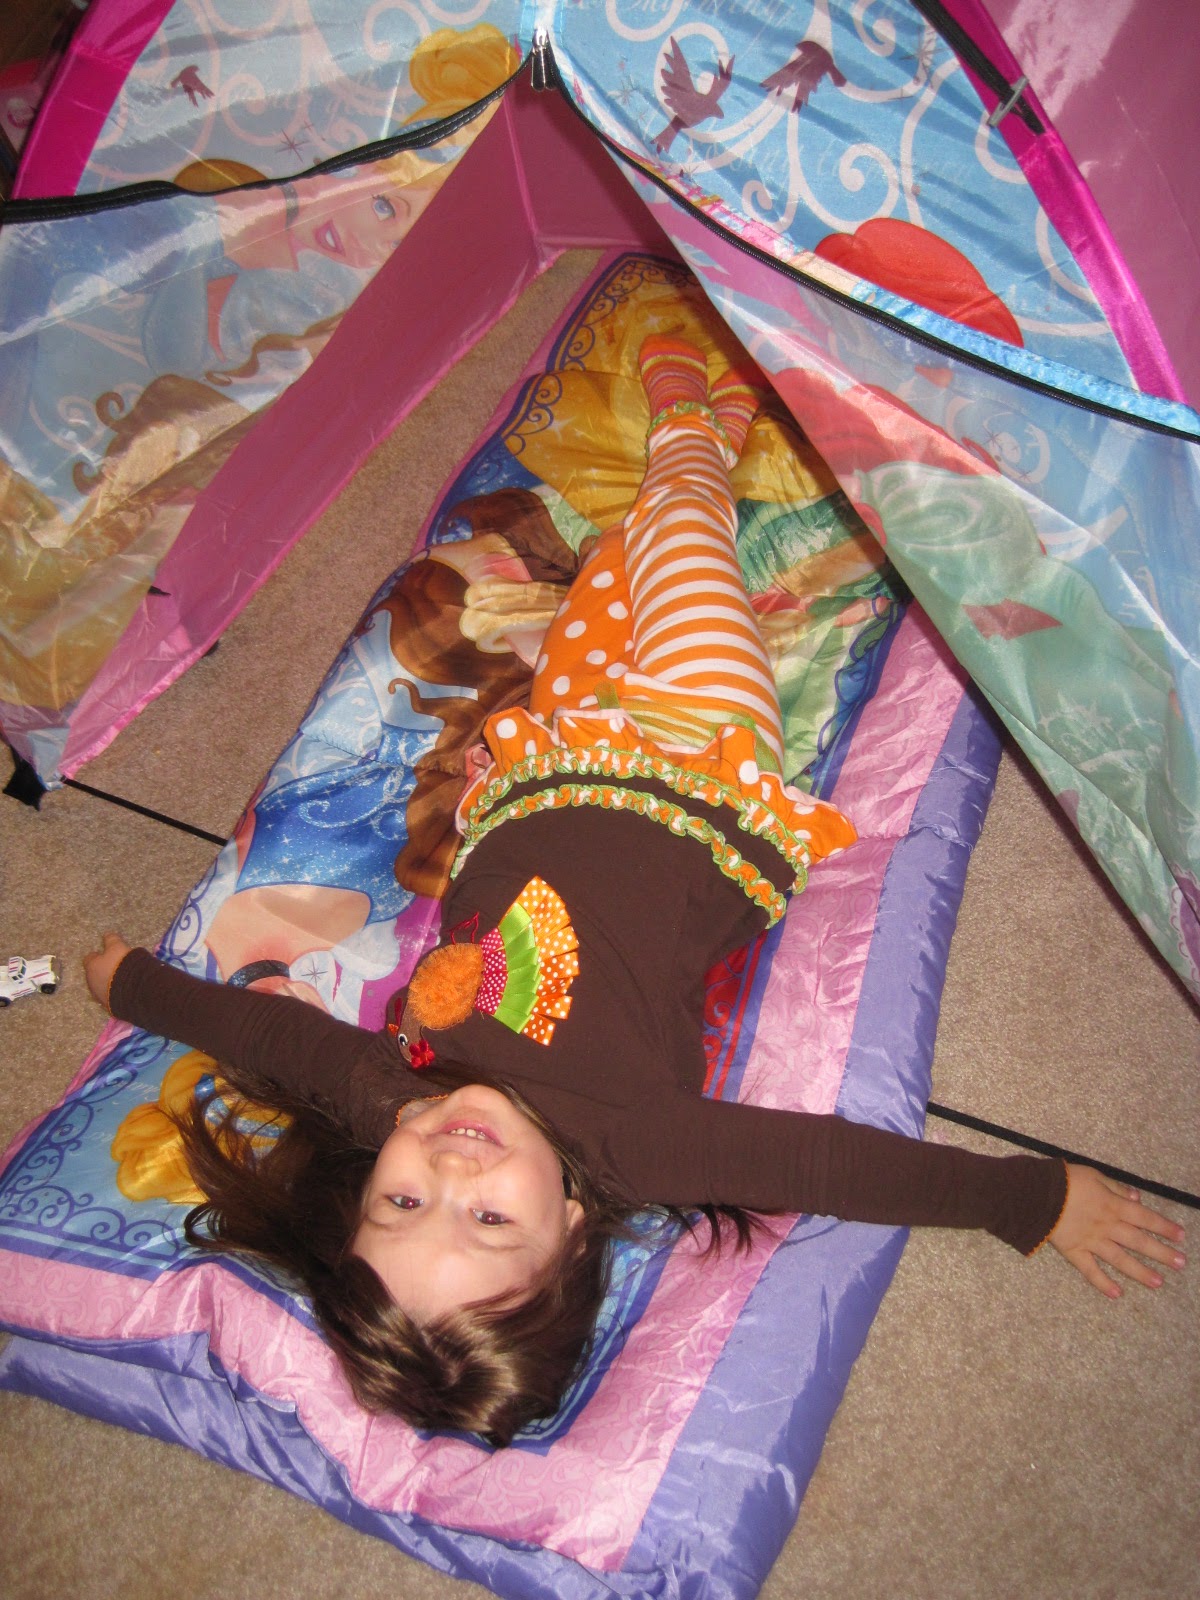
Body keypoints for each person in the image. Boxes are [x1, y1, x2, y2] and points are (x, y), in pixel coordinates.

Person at [84, 337, 1185, 1446]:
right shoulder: (633, 1147)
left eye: (404, 1202)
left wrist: (137, 987)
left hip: (556, 757)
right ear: (570, 1228)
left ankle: (690, 463)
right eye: (490, 1219)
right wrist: (1029, 1200)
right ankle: (689, 421)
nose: (452, 1167)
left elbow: (271, 1037)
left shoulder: (393, 1100)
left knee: (616, 575)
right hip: (698, 766)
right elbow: (830, 1165)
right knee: (686, 547)